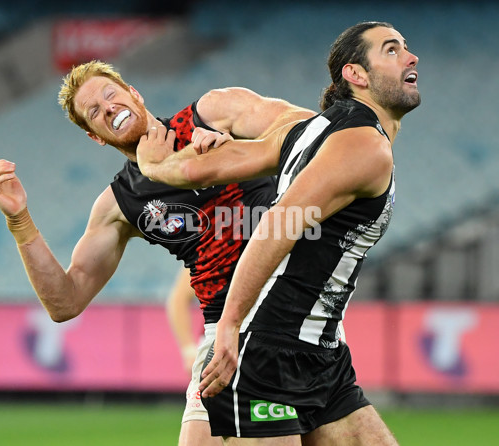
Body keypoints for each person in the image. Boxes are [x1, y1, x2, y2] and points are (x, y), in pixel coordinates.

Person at [0, 60, 315, 446]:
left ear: (135, 95)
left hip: (282, 315)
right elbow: (65, 302)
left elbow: (313, 133)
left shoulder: (214, 114)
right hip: (225, 332)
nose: (107, 107)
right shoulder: (120, 204)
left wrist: (240, 151)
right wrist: (20, 221)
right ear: (96, 136)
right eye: (94, 111)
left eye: (110, 94)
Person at [136, 21, 420, 444]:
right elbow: (278, 223)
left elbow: (212, 165)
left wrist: (155, 165)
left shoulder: (312, 129)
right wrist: (228, 326)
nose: (411, 57)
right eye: (392, 50)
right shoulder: (364, 145)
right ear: (356, 75)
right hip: (267, 353)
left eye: (406, 48)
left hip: (322, 355)